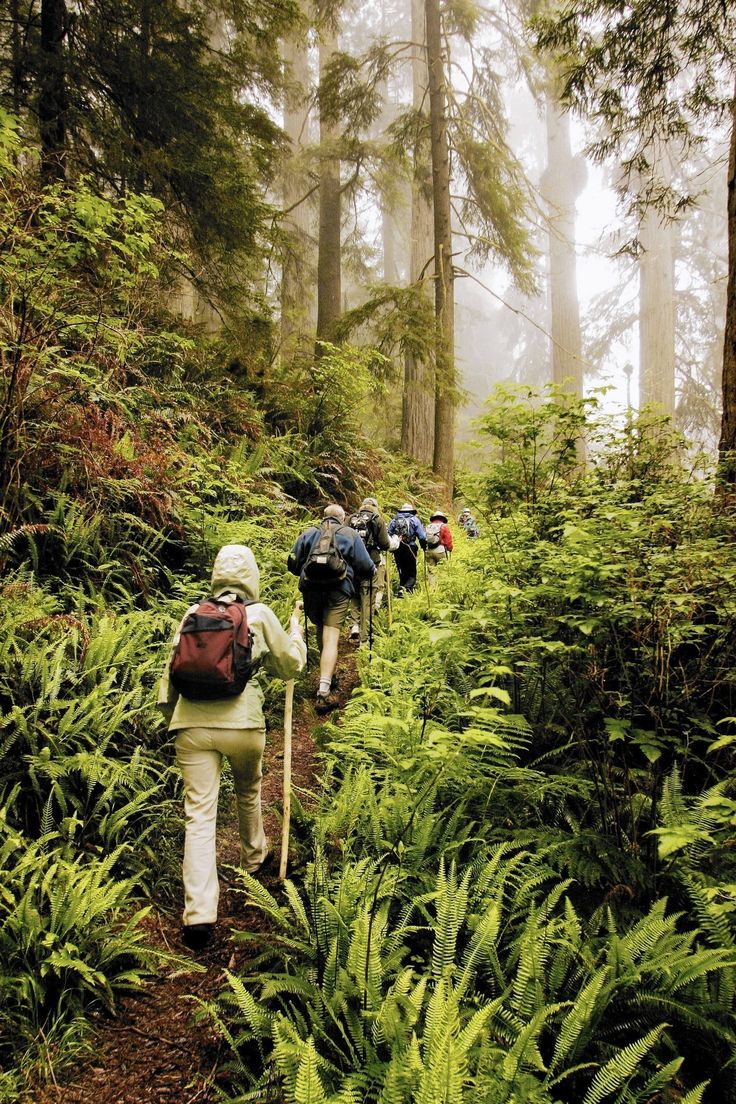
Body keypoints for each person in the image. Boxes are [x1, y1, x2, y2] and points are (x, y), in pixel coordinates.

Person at [157, 544, 306, 951]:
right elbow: (290, 666)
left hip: (189, 724)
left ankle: (199, 915)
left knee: (199, 816)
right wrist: (297, 635)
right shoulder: (258, 615)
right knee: (248, 791)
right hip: (242, 724)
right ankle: (255, 858)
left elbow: (170, 675)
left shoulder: (192, 614)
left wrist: (171, 717)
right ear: (252, 576)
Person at [287, 503, 375, 712]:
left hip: (311, 589)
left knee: (321, 628)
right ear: (342, 517)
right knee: (331, 636)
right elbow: (367, 566)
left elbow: (292, 563)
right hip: (338, 589)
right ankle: (324, 690)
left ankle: (327, 674)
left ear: (323, 517)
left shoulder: (309, 534)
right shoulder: (349, 534)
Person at [347, 496, 396, 644]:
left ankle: (354, 626)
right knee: (367, 601)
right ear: (375, 506)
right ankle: (364, 638)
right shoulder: (377, 519)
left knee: (355, 596)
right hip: (370, 565)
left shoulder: (351, 519)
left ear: (362, 506)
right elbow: (385, 544)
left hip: (352, 564)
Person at [388, 503, 426, 595]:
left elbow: (388, 533)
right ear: (411, 511)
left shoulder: (394, 520)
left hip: (398, 547)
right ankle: (406, 589)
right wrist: (424, 547)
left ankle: (403, 589)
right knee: (411, 572)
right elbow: (422, 537)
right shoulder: (414, 520)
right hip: (410, 547)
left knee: (401, 569)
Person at [424, 509, 454, 586]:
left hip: (429, 551)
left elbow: (424, 538)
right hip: (440, 551)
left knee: (431, 571)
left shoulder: (428, 526)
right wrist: (450, 549)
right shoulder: (444, 526)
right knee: (443, 569)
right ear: (442, 518)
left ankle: (432, 589)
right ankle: (443, 587)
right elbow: (448, 540)